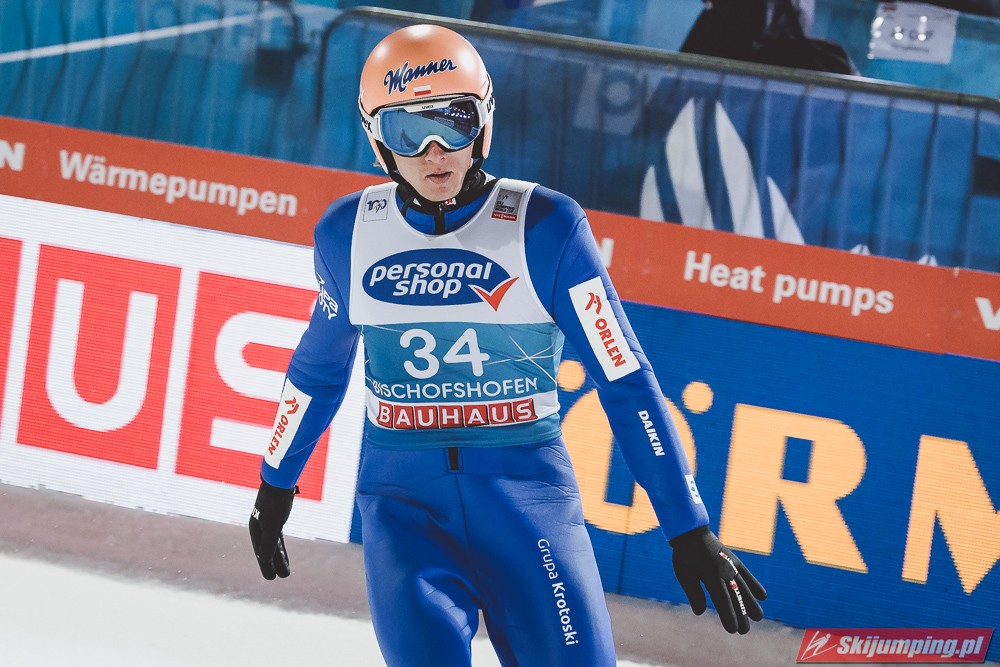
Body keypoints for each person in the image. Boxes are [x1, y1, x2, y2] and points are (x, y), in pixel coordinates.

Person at [248, 23, 766, 667]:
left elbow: (624, 379)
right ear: (377, 141)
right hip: (405, 517)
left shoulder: (547, 227)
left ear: (484, 123)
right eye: (408, 132)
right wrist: (275, 483)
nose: (435, 152)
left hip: (530, 510)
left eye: (453, 123)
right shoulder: (347, 234)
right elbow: (318, 371)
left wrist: (688, 526)